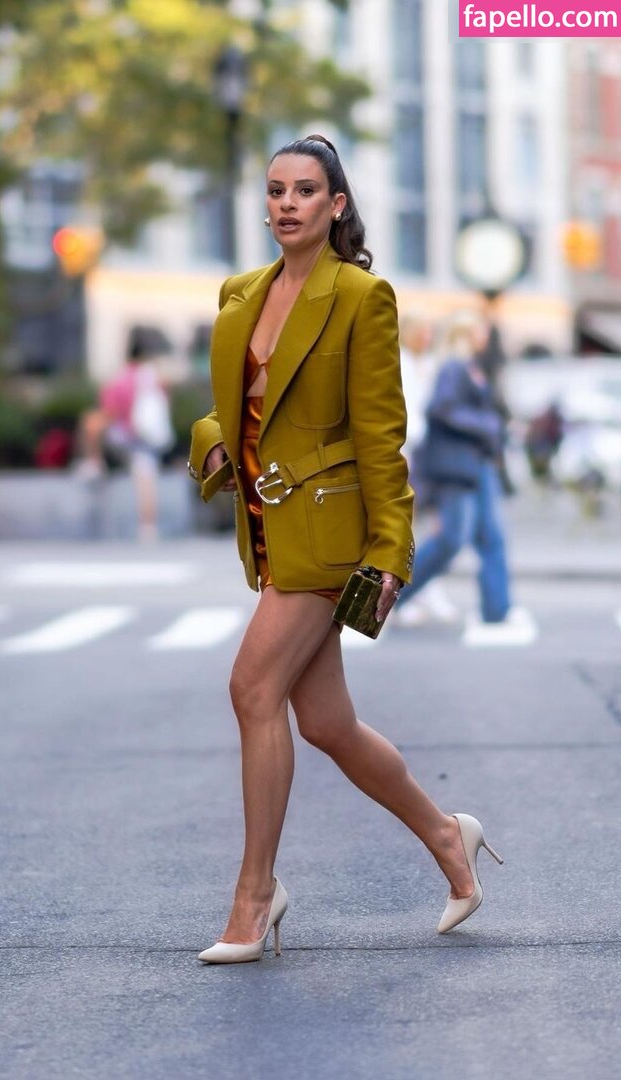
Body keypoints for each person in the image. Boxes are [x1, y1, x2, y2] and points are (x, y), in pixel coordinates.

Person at [187, 135, 502, 965]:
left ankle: (256, 895)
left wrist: (391, 551)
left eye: (305, 190)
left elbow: (380, 435)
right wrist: (211, 443)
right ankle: (449, 837)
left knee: (252, 688)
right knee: (327, 723)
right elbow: (234, 408)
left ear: (336, 205)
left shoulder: (362, 297)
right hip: (269, 529)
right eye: (276, 190)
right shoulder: (241, 294)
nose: (287, 203)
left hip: (329, 535)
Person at [396, 311, 515, 626]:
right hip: (456, 466)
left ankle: (497, 610)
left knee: (487, 536)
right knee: (450, 540)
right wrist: (487, 426)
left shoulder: (469, 366)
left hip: (472, 462)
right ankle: (389, 596)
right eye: (480, 329)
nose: (485, 335)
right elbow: (441, 408)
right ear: (467, 333)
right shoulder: (454, 367)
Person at [76, 344, 174, 542]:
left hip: (127, 435)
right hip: (148, 438)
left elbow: (110, 411)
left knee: (90, 423)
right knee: (145, 478)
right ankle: (148, 527)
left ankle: (94, 463)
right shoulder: (154, 377)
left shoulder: (122, 379)